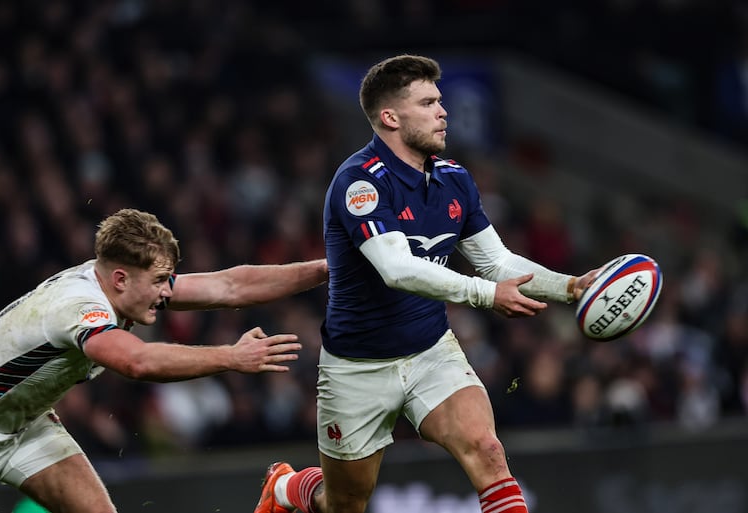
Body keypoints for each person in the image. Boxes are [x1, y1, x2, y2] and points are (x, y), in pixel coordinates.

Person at [253, 54, 600, 513]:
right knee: (343, 503)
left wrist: (572, 287)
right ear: (390, 117)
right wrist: (485, 295)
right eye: (428, 103)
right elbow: (397, 269)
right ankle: (285, 487)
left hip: (431, 353)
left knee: (488, 451)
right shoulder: (359, 183)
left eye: (440, 100)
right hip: (358, 366)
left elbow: (496, 261)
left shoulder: (454, 179)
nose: (443, 112)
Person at [0, 208, 328, 513]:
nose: (167, 292)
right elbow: (138, 362)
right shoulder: (77, 307)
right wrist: (231, 356)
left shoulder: (117, 283)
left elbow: (229, 286)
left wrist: (327, 270)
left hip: (25, 427)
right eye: (160, 280)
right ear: (120, 279)